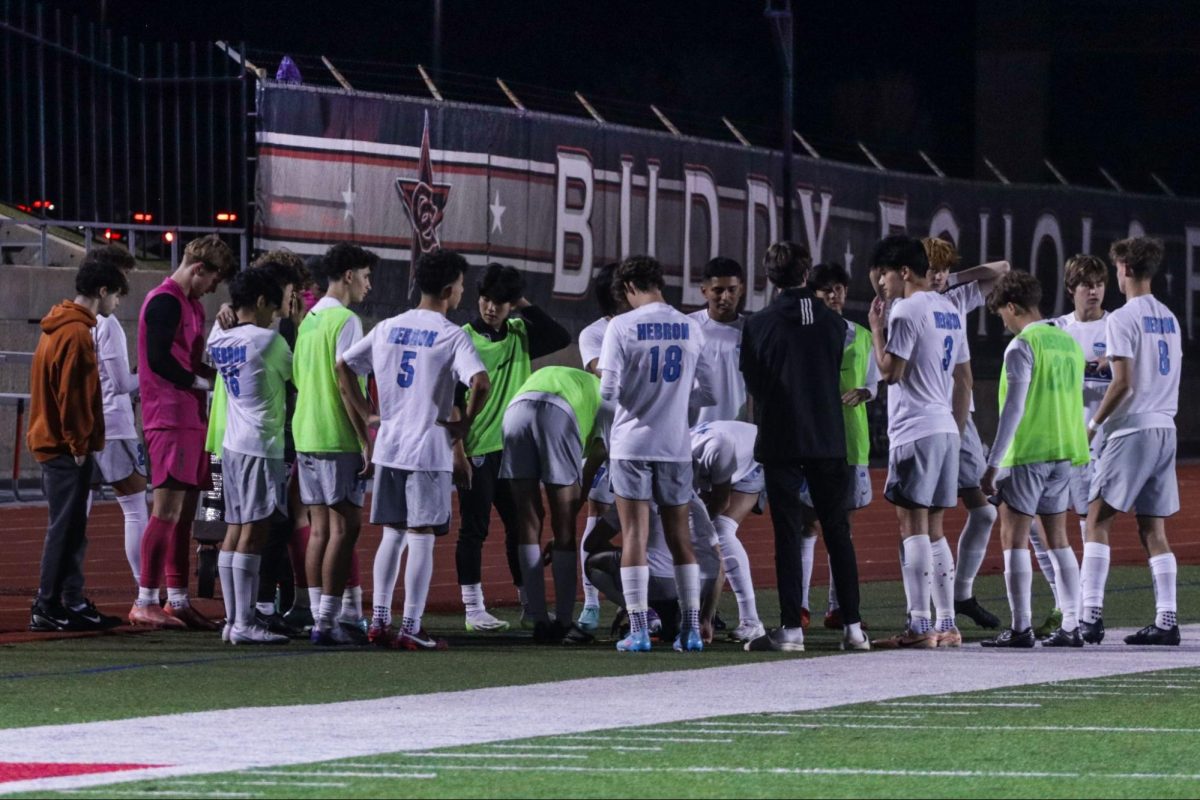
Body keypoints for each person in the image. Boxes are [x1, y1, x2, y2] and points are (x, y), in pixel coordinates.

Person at [340, 249, 490, 651]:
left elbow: (343, 367)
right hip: (427, 450)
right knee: (422, 536)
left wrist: (367, 414)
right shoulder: (450, 334)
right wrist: (464, 424)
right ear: (448, 289)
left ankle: (380, 621)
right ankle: (411, 626)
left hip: (389, 447)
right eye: (460, 286)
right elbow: (481, 382)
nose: (461, 292)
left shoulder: (388, 326)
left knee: (392, 534)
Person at [741, 241, 867, 652]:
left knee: (788, 533)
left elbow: (754, 384)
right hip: (828, 436)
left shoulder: (759, 323)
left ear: (768, 275)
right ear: (806, 272)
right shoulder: (833, 323)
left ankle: (791, 628)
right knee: (838, 531)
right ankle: (854, 628)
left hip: (780, 436)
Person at [598, 255, 715, 652]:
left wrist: (639, 399)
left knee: (635, 535)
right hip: (676, 445)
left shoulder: (622, 326)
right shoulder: (689, 326)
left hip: (631, 444)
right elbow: (711, 392)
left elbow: (608, 393)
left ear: (629, 288)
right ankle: (693, 630)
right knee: (682, 538)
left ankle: (640, 630)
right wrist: (676, 399)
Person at [453, 263, 570, 632]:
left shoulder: (520, 332)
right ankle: (473, 610)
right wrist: (457, 451)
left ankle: (528, 603)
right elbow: (452, 400)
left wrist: (522, 304)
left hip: (514, 450)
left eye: (500, 303)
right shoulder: (462, 337)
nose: (491, 308)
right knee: (475, 529)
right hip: (477, 450)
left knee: (521, 527)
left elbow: (560, 336)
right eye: (486, 300)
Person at [867, 235, 971, 649]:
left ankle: (919, 625)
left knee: (911, 525)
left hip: (916, 428)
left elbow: (891, 372)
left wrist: (877, 330)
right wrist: (958, 431)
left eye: (886, 276)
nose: (882, 285)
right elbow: (963, 378)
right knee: (935, 529)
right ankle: (947, 623)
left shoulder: (907, 309)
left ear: (904, 272)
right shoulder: (949, 309)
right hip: (945, 426)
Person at [1079, 237, 1182, 646]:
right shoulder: (1170, 317)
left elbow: (1123, 384)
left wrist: (1092, 425)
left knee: (1097, 518)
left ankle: (1090, 616)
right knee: (1152, 527)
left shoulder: (1120, 318)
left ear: (1123, 269)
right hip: (1166, 427)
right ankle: (1167, 619)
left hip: (1133, 427)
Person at [129, 234, 235, 630]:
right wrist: (202, 383)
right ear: (198, 269)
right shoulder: (164, 300)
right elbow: (157, 360)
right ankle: (144, 599)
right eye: (212, 280)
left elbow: (191, 360)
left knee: (184, 514)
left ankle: (176, 599)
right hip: (168, 417)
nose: (212, 289)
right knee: (167, 510)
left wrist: (215, 376)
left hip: (190, 419)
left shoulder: (190, 305)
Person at [979, 271, 1089, 648]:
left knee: (1013, 538)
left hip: (1028, 452)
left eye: (1002, 315)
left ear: (1012, 307)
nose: (1004, 323)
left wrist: (993, 464)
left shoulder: (1022, 346)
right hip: (1065, 451)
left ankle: (1021, 627)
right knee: (1059, 539)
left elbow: (1014, 408)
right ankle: (1073, 624)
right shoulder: (1068, 344)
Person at [28, 258, 128, 632]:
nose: (117, 303)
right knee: (65, 527)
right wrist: (78, 443)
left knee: (70, 527)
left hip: (53, 441)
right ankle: (48, 603)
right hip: (64, 446)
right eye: (116, 295)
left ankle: (68, 600)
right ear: (102, 291)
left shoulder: (58, 326)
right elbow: (72, 396)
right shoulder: (76, 334)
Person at [923, 237, 1010, 630]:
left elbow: (1003, 270)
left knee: (984, 511)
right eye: (932, 267)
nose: (938, 275)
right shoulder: (906, 305)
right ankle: (922, 606)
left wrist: (952, 276)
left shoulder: (954, 300)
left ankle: (960, 595)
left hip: (960, 419)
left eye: (942, 267)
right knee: (921, 516)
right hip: (924, 419)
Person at [292, 243, 374, 645]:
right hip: (335, 433)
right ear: (347, 276)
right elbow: (345, 383)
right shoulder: (346, 320)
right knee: (347, 528)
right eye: (365, 276)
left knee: (320, 529)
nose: (368, 285)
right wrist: (365, 438)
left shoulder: (308, 320)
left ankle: (319, 617)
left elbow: (298, 378)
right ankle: (328, 621)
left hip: (305, 433)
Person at [1025, 254, 1110, 635]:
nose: (1094, 291)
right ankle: (1064, 603)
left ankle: (1088, 611)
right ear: (1071, 289)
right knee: (1039, 526)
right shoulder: (1056, 330)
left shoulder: (1117, 327)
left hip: (1102, 444)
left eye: (1099, 283)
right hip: (1063, 442)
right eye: (1086, 284)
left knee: (1086, 526)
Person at [207, 269, 293, 645]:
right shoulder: (269, 342)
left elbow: (210, 349)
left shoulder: (221, 339)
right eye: (273, 307)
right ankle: (244, 622)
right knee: (254, 533)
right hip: (261, 444)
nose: (275, 315)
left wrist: (222, 314)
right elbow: (301, 377)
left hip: (232, 443)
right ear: (259, 302)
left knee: (234, 529)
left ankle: (232, 620)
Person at [499, 366, 606, 643]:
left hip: (515, 411)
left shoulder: (577, 378)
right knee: (564, 527)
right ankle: (564, 621)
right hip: (557, 412)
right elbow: (593, 463)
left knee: (528, 520)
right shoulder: (609, 397)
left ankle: (538, 619)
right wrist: (570, 515)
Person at [800, 262, 880, 630]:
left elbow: (875, 382)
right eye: (826, 290)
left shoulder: (861, 335)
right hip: (811, 441)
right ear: (813, 294)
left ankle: (837, 607)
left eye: (839, 289)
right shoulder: (804, 331)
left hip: (850, 440)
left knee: (841, 528)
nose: (834, 296)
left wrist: (866, 391)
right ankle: (799, 605)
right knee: (808, 525)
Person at [87, 244, 147, 596]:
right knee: (136, 509)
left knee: (76, 514)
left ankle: (64, 592)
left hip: (85, 426)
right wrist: (150, 375)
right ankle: (146, 591)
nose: (125, 291)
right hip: (114, 427)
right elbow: (123, 384)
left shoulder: (74, 317)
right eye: (123, 278)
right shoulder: (107, 324)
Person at [575, 261, 623, 632]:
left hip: (649, 436)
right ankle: (590, 604)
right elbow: (600, 371)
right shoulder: (594, 333)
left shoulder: (643, 325)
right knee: (598, 516)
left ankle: (656, 604)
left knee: (656, 523)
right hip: (608, 437)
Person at [689, 419, 765, 642]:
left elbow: (720, 502)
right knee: (699, 531)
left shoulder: (717, 449)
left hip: (753, 461)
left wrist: (698, 533)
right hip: (727, 456)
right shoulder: (681, 453)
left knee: (721, 530)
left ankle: (751, 621)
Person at [688, 257, 750, 424]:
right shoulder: (688, 328)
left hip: (739, 431)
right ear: (704, 291)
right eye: (718, 290)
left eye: (732, 289)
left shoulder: (752, 331)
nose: (725, 297)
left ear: (741, 289)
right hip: (696, 432)